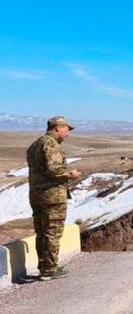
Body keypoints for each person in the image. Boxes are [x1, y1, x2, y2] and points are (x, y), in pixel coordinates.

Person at [27, 116, 82, 281]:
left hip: (37, 195)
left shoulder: (35, 145)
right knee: (52, 232)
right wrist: (71, 174)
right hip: (52, 196)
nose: (68, 133)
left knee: (41, 232)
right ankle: (50, 269)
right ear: (58, 127)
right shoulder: (51, 145)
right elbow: (54, 170)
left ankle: (45, 267)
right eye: (67, 129)